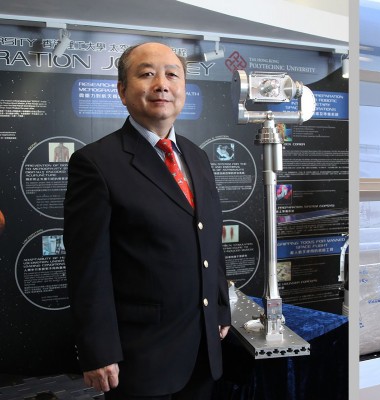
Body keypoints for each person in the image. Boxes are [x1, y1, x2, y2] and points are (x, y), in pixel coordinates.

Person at [64, 42, 231, 399]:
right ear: (122, 91)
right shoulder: (95, 163)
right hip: (142, 358)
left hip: (203, 349)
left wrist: (219, 308)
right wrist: (99, 349)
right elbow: (87, 267)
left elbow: (210, 240)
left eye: (172, 74)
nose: (162, 84)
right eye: (146, 73)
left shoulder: (198, 157)